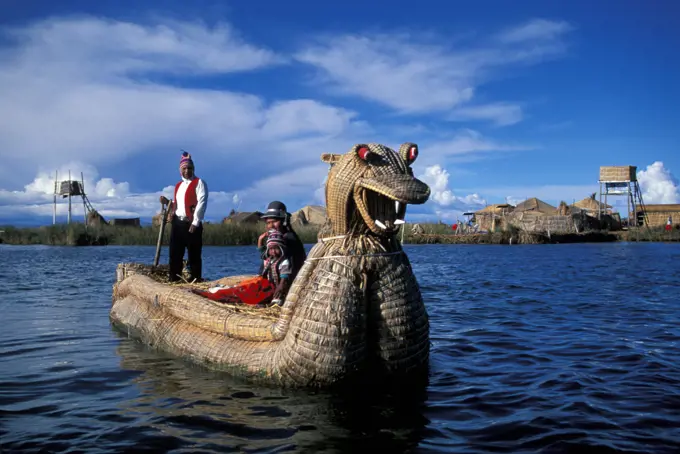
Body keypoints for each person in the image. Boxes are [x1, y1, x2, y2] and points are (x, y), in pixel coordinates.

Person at [159, 151, 209, 282]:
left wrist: (195, 222)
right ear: (180, 170)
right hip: (178, 224)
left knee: (194, 254)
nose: (187, 171)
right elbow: (178, 204)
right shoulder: (178, 186)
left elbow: (201, 203)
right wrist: (168, 205)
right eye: (184, 168)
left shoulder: (199, 183)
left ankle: (196, 280)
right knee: (175, 254)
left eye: (190, 168)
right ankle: (173, 280)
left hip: (191, 223)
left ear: (193, 169)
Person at [257, 201, 306, 282]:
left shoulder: (288, 238)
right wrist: (260, 240)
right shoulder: (276, 237)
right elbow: (265, 255)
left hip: (289, 280)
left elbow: (288, 264)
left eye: (274, 222)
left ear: (284, 221)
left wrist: (282, 285)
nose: (271, 226)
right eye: (268, 223)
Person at [261, 229, 292, 306]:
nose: (273, 251)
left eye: (276, 248)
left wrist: (280, 286)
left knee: (277, 302)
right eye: (271, 249)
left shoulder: (284, 261)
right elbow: (261, 250)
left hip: (280, 289)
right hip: (270, 287)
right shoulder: (270, 260)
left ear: (281, 249)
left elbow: (284, 277)